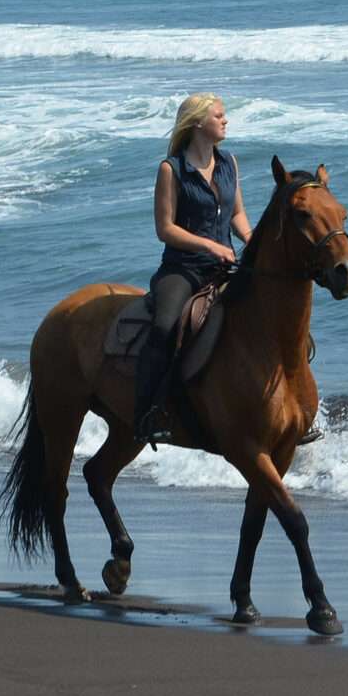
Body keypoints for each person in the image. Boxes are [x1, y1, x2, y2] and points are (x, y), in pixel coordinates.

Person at [133, 92, 252, 442]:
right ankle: (145, 414)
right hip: (182, 270)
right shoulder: (171, 169)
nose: (226, 120)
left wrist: (253, 241)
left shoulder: (229, 162)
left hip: (223, 268)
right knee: (165, 327)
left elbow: (237, 215)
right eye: (219, 115)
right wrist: (210, 245)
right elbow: (165, 229)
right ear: (199, 123)